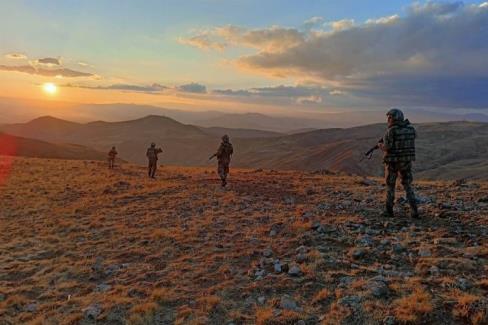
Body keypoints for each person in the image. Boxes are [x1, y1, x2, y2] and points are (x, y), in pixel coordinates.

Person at [378, 108, 419, 218]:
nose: (388, 120)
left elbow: (387, 147)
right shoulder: (411, 129)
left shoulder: (391, 131)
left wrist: (380, 145)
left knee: (390, 186)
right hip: (406, 161)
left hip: (392, 162)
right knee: (407, 185)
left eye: (389, 117)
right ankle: (414, 211)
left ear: (394, 118)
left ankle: (389, 211)